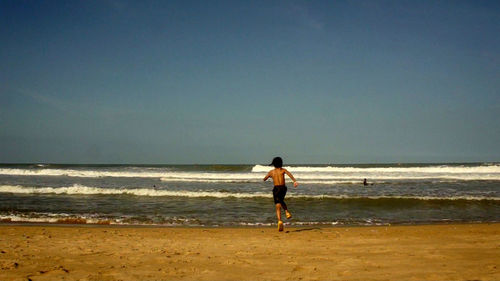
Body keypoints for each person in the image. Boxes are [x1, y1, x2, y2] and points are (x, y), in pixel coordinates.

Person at [263, 157, 299, 232]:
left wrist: (268, 177)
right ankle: (286, 213)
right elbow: (289, 174)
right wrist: (294, 181)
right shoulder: (283, 170)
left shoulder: (271, 172)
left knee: (277, 205)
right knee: (281, 200)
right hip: (283, 188)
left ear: (274, 164)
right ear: (281, 163)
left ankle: (280, 219)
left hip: (276, 189)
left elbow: (264, 179)